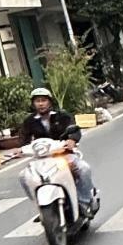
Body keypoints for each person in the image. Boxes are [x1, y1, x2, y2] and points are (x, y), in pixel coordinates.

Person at [20, 86, 95, 215]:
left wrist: (71, 140)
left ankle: (85, 201)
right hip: (42, 160)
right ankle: (39, 207)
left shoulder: (62, 116)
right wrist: (20, 149)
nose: (41, 104)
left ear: (50, 102)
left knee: (84, 169)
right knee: (23, 176)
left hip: (64, 155)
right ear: (33, 104)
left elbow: (74, 129)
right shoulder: (29, 121)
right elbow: (23, 139)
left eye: (43, 100)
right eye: (37, 101)